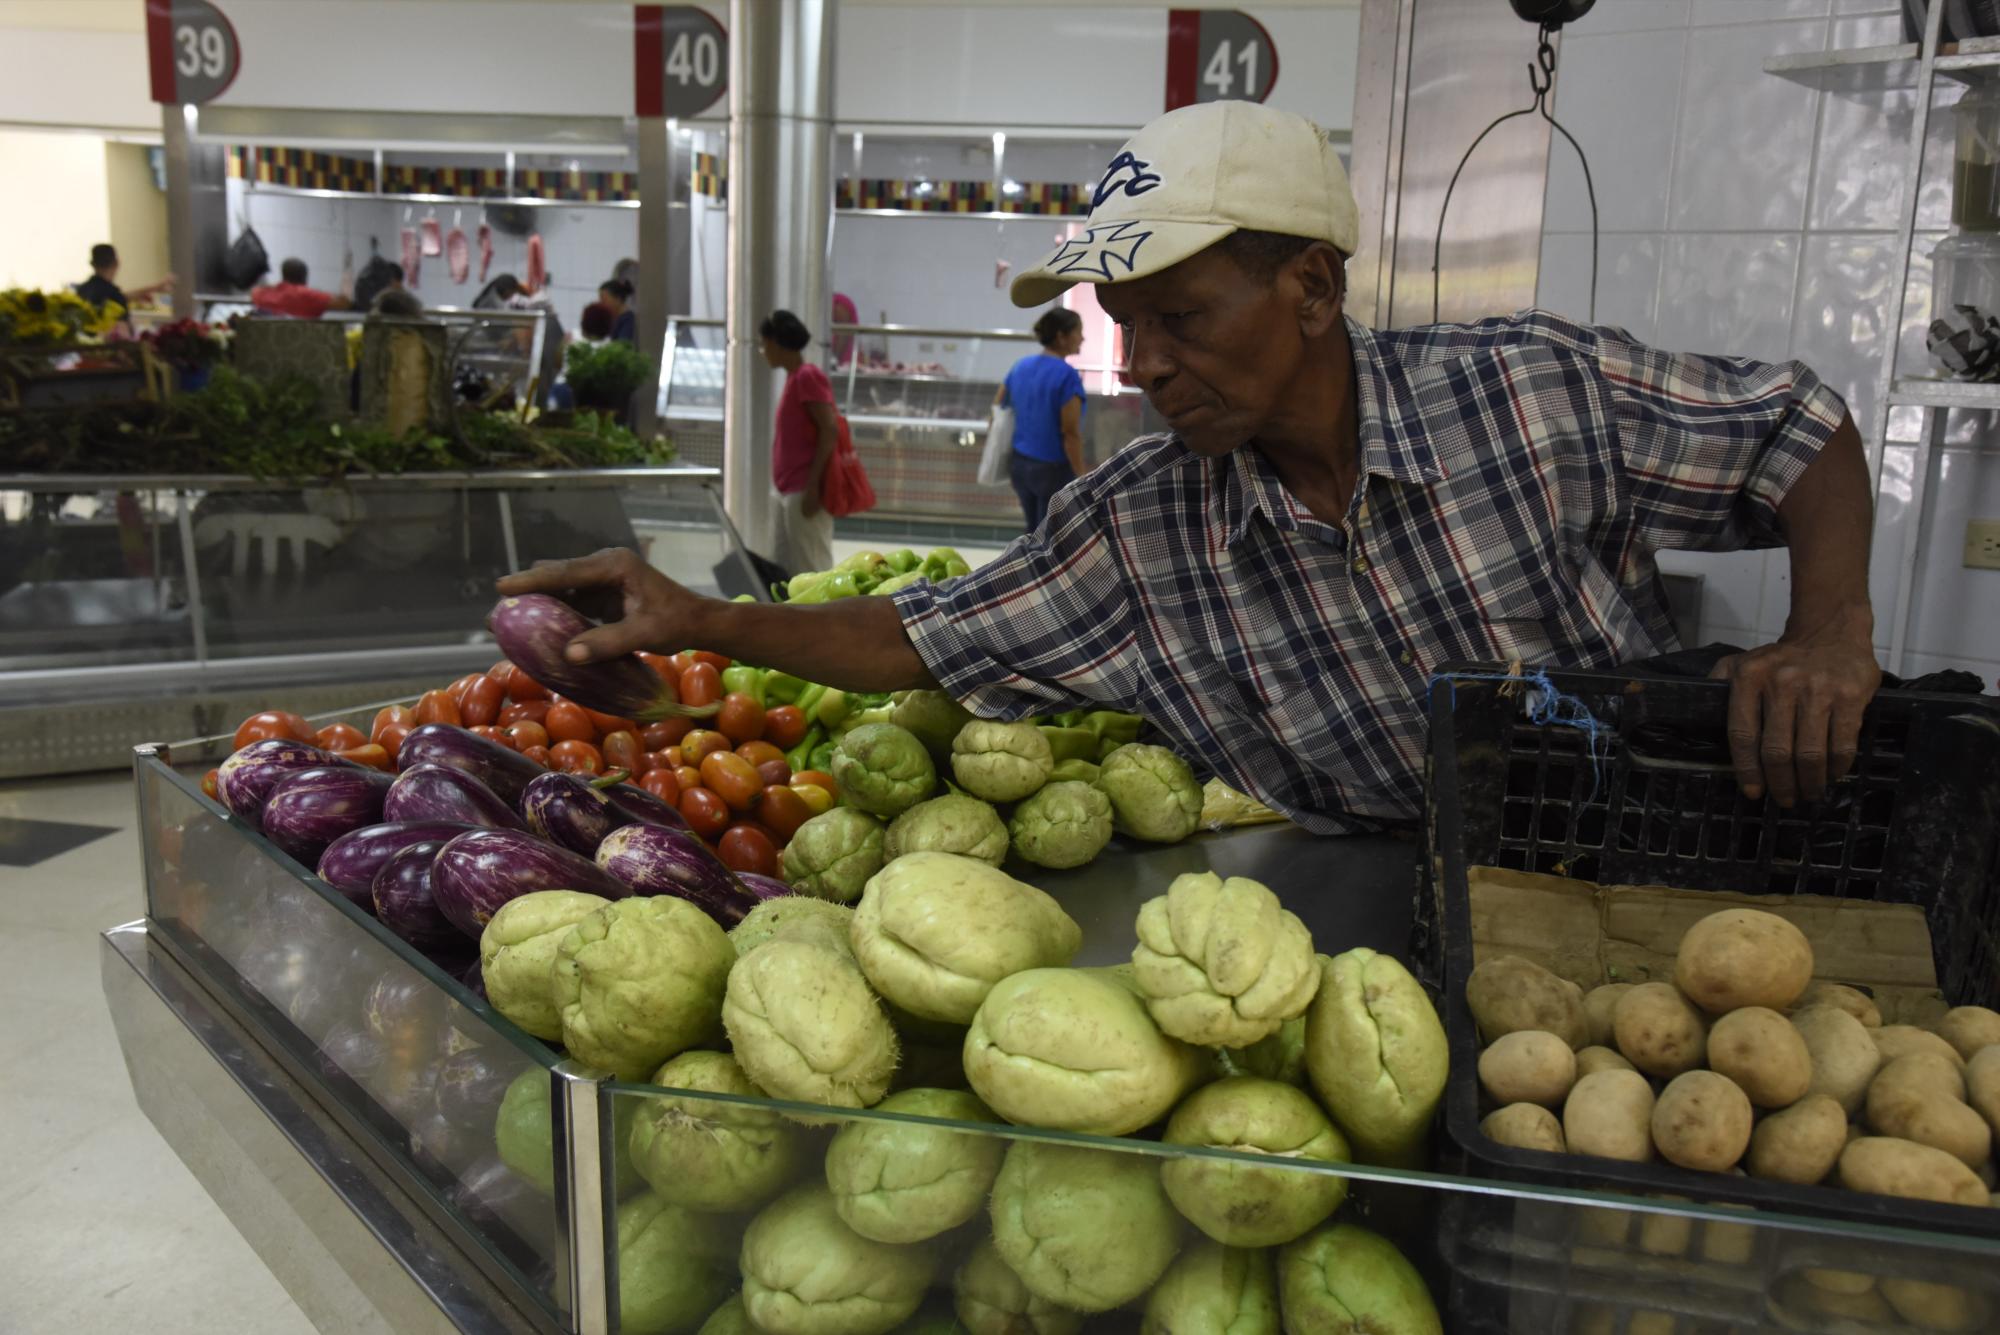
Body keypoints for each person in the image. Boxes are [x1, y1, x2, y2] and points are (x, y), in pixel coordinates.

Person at [499, 102, 1881, 831]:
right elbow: (924, 634)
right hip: (1395, 909)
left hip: (1658, 841)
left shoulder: (1526, 392)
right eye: (1125, 326)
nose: (1144, 365)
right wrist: (706, 619)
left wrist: (1831, 631)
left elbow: (1798, 430)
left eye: (1183, 317)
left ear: (1314, 290)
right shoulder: (1138, 531)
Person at [760, 309, 839, 575]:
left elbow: (829, 430)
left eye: (765, 344)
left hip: (804, 489)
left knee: (811, 566)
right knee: (786, 569)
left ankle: (824, 617)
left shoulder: (807, 376)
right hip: (789, 489)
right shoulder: (795, 378)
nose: (763, 350)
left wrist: (814, 487)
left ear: (777, 343)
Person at [995, 307, 1087, 530]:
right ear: (1061, 336)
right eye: (1078, 332)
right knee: (1052, 537)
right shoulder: (1067, 375)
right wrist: (1082, 475)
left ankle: (1028, 563)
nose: (1082, 338)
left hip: (1020, 465)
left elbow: (999, 405)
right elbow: (1070, 432)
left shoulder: (1020, 366)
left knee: (1033, 530)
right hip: (1052, 470)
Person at [73, 243, 172, 316]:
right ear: (116, 263)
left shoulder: (83, 290)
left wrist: (154, 288)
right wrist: (155, 288)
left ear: (92, 264)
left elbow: (122, 297)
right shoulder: (111, 293)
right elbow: (119, 298)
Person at [251, 258, 350, 319]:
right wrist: (347, 275)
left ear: (283, 275)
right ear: (305, 277)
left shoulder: (262, 294)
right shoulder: (309, 296)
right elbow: (343, 304)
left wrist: (276, 286)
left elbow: (254, 291)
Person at [598, 279, 638, 344]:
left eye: (604, 299)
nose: (601, 303)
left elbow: (622, 346)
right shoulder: (615, 318)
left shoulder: (628, 320)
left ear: (618, 299)